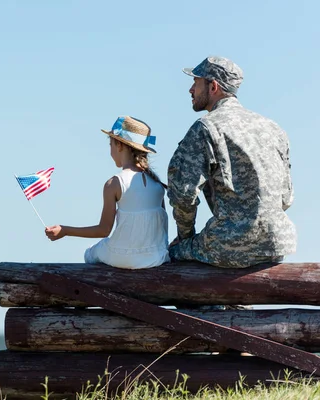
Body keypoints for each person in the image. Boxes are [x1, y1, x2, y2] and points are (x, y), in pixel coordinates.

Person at [168, 56, 296, 268]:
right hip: (278, 243)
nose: (191, 90)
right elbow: (286, 198)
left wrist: (185, 236)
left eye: (196, 83)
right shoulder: (274, 129)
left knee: (170, 257)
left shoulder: (207, 127)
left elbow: (182, 193)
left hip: (229, 245)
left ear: (213, 86)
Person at [45, 116, 170, 269]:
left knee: (90, 253)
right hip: (155, 258)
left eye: (110, 144)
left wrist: (65, 231)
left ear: (119, 145)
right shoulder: (157, 184)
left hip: (122, 258)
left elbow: (103, 230)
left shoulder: (114, 183)